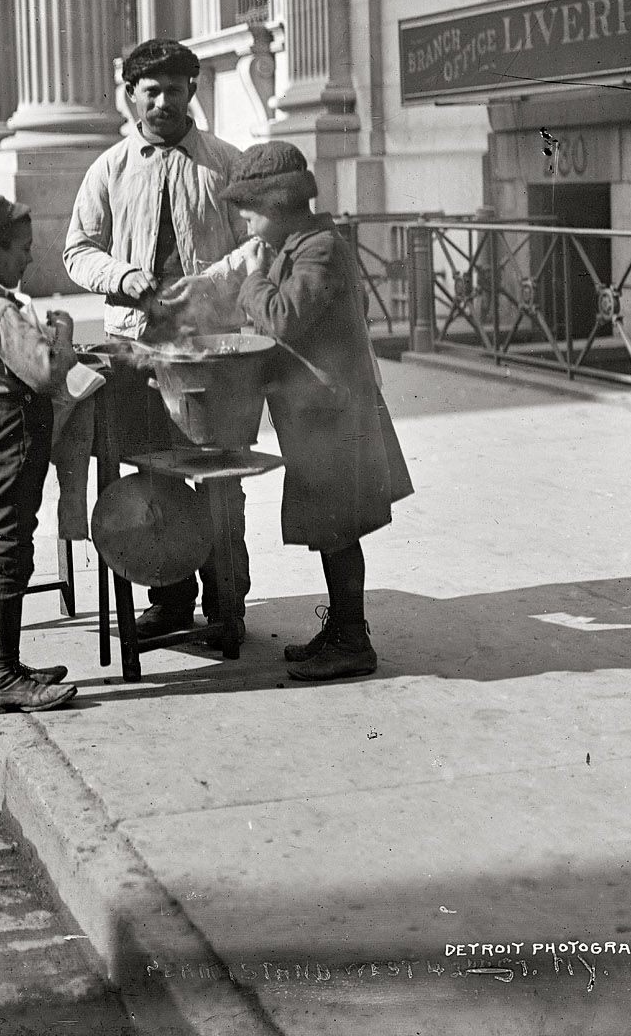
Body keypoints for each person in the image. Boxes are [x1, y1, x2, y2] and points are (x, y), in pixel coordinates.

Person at [63, 37, 249, 642]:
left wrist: (210, 282)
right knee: (152, 474)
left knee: (220, 477)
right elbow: (77, 251)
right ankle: (170, 599)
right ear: (131, 96)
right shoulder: (108, 169)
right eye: (152, 91)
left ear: (192, 91)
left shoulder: (225, 163)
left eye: (175, 89)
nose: (164, 101)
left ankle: (227, 606)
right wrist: (122, 276)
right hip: (136, 352)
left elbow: (257, 245)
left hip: (210, 351)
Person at [214, 142, 414, 679]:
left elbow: (282, 318)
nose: (244, 218)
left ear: (277, 204)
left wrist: (252, 280)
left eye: (249, 208)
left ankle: (352, 642)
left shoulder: (318, 249)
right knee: (330, 527)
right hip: (316, 415)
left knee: (339, 529)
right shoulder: (297, 245)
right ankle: (343, 628)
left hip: (333, 417)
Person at [0, 194, 78, 713]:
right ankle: (3, 676)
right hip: (10, 439)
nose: (29, 258)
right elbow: (47, 372)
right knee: (10, 558)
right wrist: (62, 335)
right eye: (23, 249)